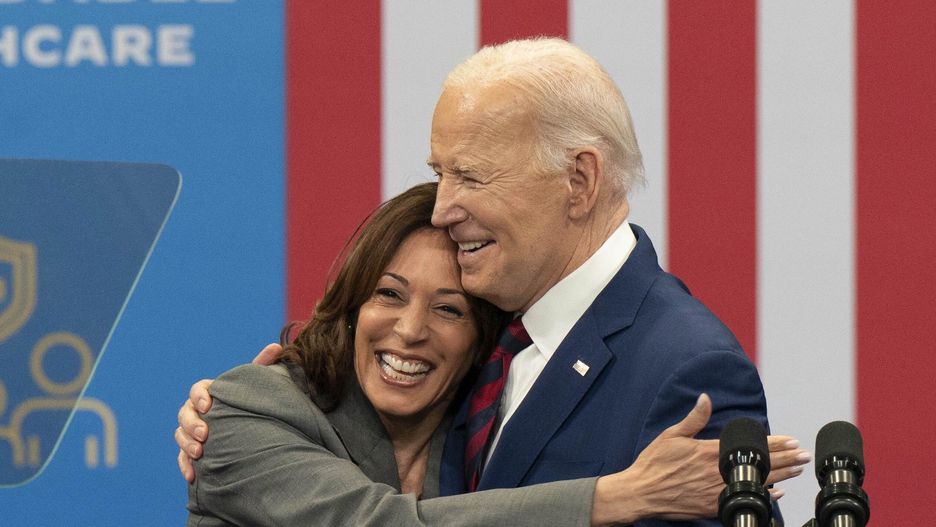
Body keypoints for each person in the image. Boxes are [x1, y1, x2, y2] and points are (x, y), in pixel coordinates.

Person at [179, 38, 810, 525]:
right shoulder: (494, 339)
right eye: (440, 173)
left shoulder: (685, 366)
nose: (442, 208)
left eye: (472, 178)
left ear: (579, 182)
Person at [185, 182, 789, 526]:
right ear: (350, 304)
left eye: (449, 310)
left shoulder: (480, 427)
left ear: (483, 339)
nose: (411, 330)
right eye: (388, 295)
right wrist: (623, 494)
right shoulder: (248, 408)